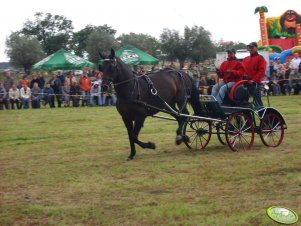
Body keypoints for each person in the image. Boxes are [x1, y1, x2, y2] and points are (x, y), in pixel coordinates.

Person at [242, 42, 267, 107]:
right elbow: (242, 70)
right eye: (249, 47)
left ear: (256, 48)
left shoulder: (260, 58)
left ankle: (262, 116)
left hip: (254, 84)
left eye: (252, 47)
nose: (250, 49)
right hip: (245, 84)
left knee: (258, 103)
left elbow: (261, 71)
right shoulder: (245, 59)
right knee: (243, 102)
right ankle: (248, 116)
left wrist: (253, 80)